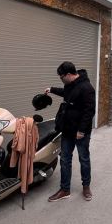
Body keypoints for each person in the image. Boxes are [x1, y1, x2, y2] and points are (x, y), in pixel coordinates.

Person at [45, 62, 96, 202]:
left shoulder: (87, 88)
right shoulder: (69, 84)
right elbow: (65, 92)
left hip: (80, 132)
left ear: (68, 75)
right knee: (65, 159)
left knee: (83, 159)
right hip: (67, 129)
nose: (60, 79)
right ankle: (65, 189)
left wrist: (81, 130)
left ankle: (86, 187)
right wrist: (52, 89)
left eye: (61, 77)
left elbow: (89, 111)